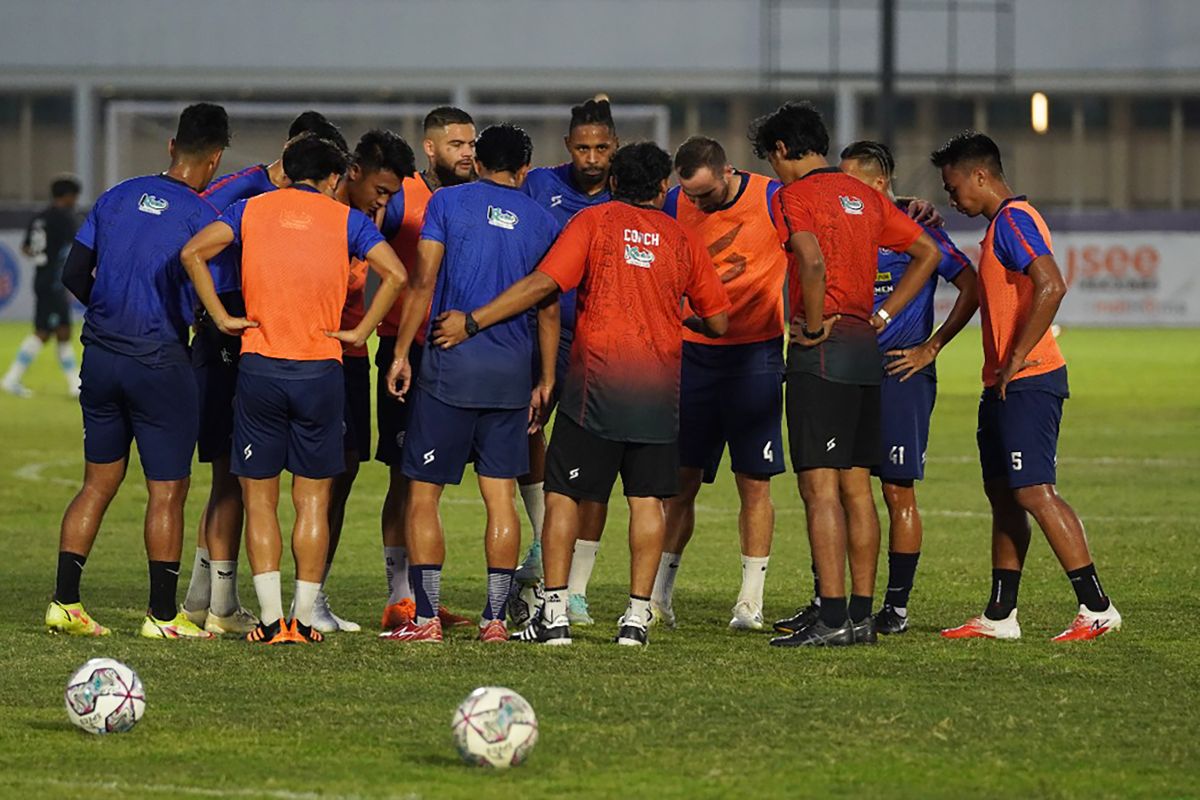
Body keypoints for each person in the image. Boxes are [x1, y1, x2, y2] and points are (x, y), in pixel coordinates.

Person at [433, 142, 731, 647]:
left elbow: (544, 284)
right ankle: (636, 620)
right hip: (657, 391)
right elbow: (719, 322)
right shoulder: (683, 239)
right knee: (647, 503)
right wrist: (673, 315)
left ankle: (555, 615)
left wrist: (475, 320)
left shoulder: (594, 223)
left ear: (615, 182)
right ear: (664, 188)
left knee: (565, 496)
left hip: (595, 385)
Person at [180, 134, 407, 645]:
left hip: (259, 367)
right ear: (332, 179)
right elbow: (394, 273)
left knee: (259, 502)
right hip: (320, 371)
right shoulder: (346, 220)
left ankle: (267, 622)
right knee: (312, 501)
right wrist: (361, 330)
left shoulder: (250, 210)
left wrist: (222, 316)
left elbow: (193, 253)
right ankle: (302, 622)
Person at [748, 101, 941, 648]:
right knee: (858, 488)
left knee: (819, 489)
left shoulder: (794, 196)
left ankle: (831, 618)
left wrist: (809, 324)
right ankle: (859, 617)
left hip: (825, 350)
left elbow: (808, 258)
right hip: (865, 348)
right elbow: (926, 252)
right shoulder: (863, 196)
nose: (773, 171)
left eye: (772, 159)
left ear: (783, 151)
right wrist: (882, 315)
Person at [44, 103, 231, 639]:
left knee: (96, 483)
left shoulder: (117, 195)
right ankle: (163, 615)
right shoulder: (203, 218)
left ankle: (65, 602)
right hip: (159, 363)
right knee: (166, 492)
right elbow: (209, 295)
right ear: (215, 159)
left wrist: (107, 311)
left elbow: (75, 273)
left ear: (172, 146)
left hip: (101, 357)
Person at [931, 131, 1121, 642]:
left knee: (1034, 491)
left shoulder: (1014, 220)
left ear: (980, 176)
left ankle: (1097, 607)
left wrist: (1016, 355)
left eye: (952, 188)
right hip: (1002, 383)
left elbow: (1052, 284)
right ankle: (1000, 616)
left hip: (1030, 379)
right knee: (1005, 497)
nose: (951, 199)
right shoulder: (1000, 226)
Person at [379, 124, 560, 644]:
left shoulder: (448, 204)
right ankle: (495, 620)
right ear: (524, 170)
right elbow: (548, 309)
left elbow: (422, 281)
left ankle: (427, 617)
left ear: (477, 161)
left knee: (424, 494)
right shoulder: (543, 222)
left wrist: (399, 353)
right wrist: (544, 379)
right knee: (501, 497)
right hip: (510, 376)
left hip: (449, 366)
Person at [182, 111, 348, 635]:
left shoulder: (310, 206)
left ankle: (211, 601)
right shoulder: (244, 191)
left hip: (271, 336)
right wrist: (210, 312)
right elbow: (191, 240)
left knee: (238, 473)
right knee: (231, 472)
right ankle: (215, 601)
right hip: (235, 331)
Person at [835, 140, 980, 634]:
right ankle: (839, 603)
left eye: (849, 180)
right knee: (838, 491)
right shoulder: (844, 227)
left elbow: (971, 286)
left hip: (902, 375)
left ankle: (895, 609)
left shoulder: (917, 231)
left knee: (897, 492)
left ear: (878, 183)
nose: (840, 189)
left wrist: (931, 347)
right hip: (849, 373)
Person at [648, 135, 787, 631]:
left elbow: (829, 208)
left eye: (706, 195)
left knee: (754, 482)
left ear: (727, 172)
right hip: (692, 358)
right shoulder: (672, 201)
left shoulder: (773, 197)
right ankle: (659, 596)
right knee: (679, 484)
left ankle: (750, 603)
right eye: (692, 196)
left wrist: (906, 205)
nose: (698, 204)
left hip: (755, 356)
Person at [514, 97, 619, 623]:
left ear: (615, 147)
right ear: (567, 148)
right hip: (548, 332)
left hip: (608, 342)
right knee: (528, 425)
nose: (593, 158)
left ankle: (576, 589)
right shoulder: (539, 186)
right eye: (583, 148)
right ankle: (540, 536)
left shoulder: (635, 192)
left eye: (602, 147)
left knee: (599, 457)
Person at [374, 107, 477, 632]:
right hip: (406, 349)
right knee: (403, 476)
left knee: (441, 480)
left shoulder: (475, 196)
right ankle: (402, 601)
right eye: (456, 143)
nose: (467, 152)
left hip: (461, 349)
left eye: (471, 143)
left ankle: (424, 598)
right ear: (431, 148)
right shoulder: (401, 199)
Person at [315, 129, 415, 633]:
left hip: (350, 357)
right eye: (381, 188)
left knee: (345, 471)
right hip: (304, 355)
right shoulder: (317, 212)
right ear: (352, 172)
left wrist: (362, 331)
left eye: (393, 192)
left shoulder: (366, 217)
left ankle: (312, 595)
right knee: (284, 481)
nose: (386, 200)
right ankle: (230, 594)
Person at [2, 175, 82, 398]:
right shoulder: (65, 218)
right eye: (74, 197)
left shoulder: (40, 218)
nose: (75, 201)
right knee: (56, 331)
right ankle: (73, 384)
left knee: (48, 331)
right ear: (67, 196)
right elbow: (79, 244)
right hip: (54, 281)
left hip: (41, 278)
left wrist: (42, 257)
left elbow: (26, 248)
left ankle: (72, 383)